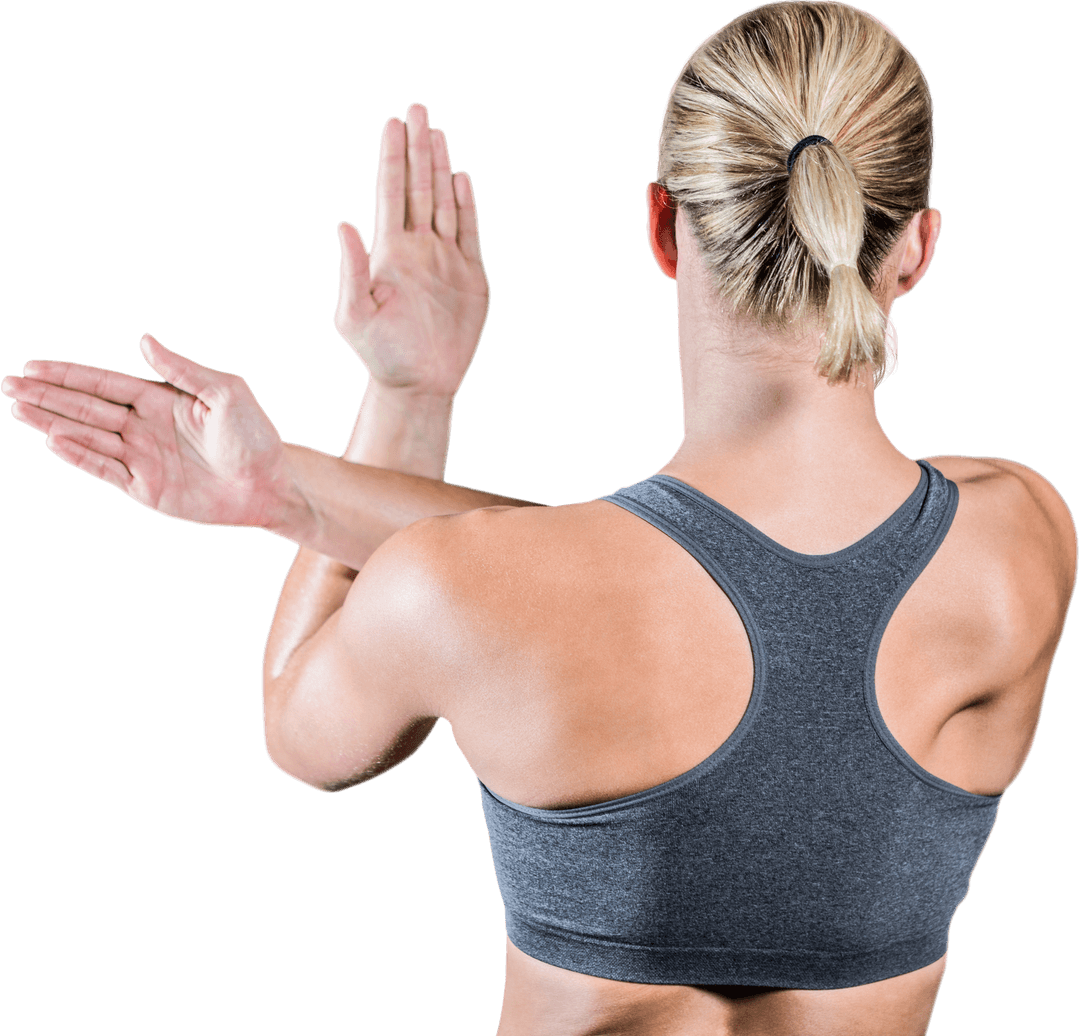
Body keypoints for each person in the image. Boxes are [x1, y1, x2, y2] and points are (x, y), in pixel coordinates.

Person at [4, 2, 1075, 1033]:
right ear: (917, 247)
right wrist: (291, 484)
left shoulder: (472, 590)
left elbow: (304, 731)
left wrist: (400, 403)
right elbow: (698, 573)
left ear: (662, 224)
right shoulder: (1020, 541)